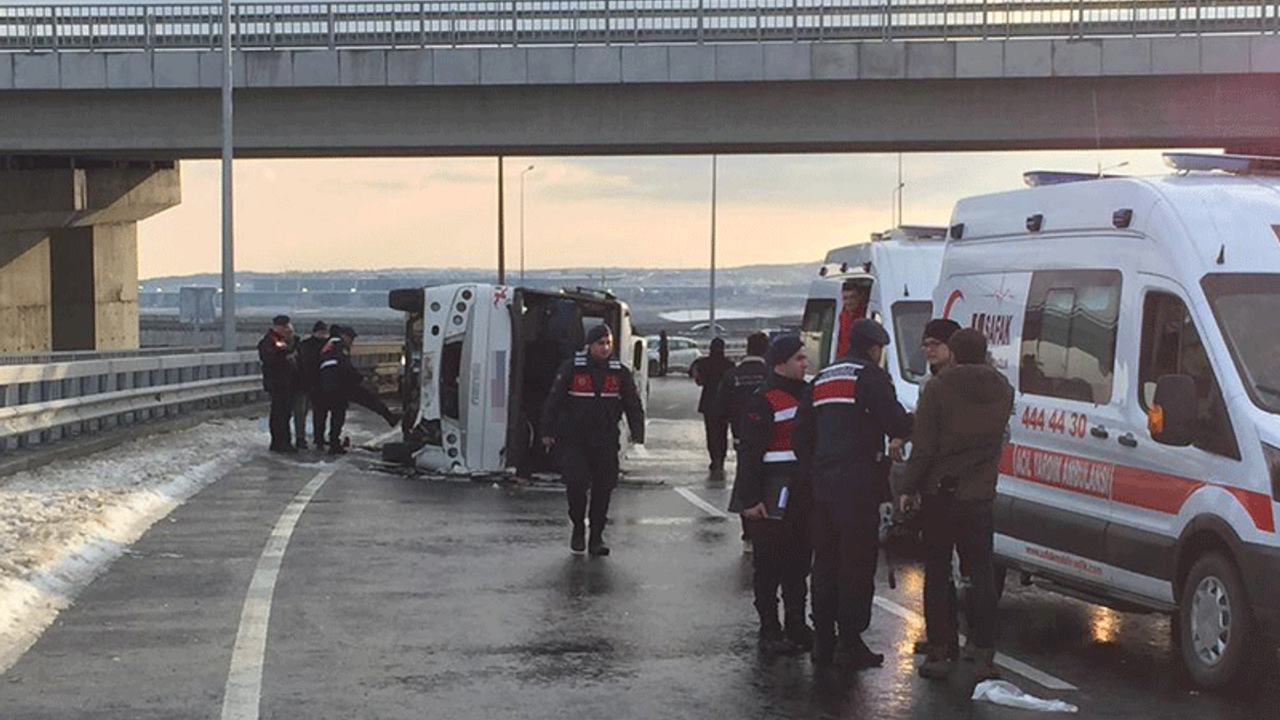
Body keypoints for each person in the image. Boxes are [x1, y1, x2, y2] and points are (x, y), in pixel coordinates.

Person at [794, 318, 912, 670]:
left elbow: (801, 433)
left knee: (825, 561)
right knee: (856, 564)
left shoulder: (823, 377)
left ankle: (823, 640)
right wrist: (913, 423)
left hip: (823, 484)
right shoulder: (871, 377)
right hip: (858, 484)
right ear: (874, 348)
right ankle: (849, 640)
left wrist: (817, 466)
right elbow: (894, 420)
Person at [899, 328, 1013, 682]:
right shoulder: (1003, 390)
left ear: (955, 354)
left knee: (937, 572)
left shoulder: (938, 388)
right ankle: (983, 651)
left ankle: (941, 650)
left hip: (941, 493)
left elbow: (925, 446)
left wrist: (908, 486)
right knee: (981, 574)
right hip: (980, 494)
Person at [728, 335, 814, 655]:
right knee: (768, 565)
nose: (805, 364)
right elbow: (749, 453)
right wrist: (750, 500)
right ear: (780, 364)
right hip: (771, 490)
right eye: (799, 359)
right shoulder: (763, 400)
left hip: (802, 492)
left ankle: (796, 624)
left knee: (799, 562)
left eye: (805, 358)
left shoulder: (808, 395)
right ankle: (769, 628)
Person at [541, 324, 645, 556]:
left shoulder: (619, 372)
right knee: (576, 485)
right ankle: (578, 526)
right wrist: (547, 430)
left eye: (608, 343)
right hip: (574, 440)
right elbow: (554, 401)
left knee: (603, 490)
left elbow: (632, 404)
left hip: (606, 441)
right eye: (600, 343)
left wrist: (637, 431)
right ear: (590, 344)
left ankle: (596, 537)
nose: (605, 348)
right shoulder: (572, 369)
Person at [319, 325, 401, 455]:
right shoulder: (339, 344)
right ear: (345, 336)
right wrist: (358, 377)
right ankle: (389, 416)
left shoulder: (330, 344)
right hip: (340, 383)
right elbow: (343, 365)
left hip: (330, 382)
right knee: (364, 399)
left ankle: (333, 442)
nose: (351, 343)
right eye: (351, 339)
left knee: (338, 413)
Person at [690, 337, 734, 473]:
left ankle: (714, 459)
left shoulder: (703, 363)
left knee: (711, 433)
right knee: (723, 432)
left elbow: (697, 379)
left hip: (708, 402)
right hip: (725, 403)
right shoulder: (729, 365)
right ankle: (721, 458)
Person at [258, 314, 298, 453]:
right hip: (277, 382)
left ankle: (284, 441)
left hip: (286, 382)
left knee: (285, 414)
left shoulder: (284, 340)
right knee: (279, 414)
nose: (287, 329)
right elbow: (271, 359)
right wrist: (286, 355)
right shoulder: (270, 341)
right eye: (284, 327)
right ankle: (279, 442)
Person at [296, 320, 329, 450]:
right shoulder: (323, 346)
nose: (323, 334)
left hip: (315, 383)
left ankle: (317, 438)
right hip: (306, 383)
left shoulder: (305, 344)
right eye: (321, 331)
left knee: (318, 413)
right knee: (302, 413)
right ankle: (303, 438)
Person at [834, 280, 870, 359]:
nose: (849, 302)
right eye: (845, 298)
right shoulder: (840, 317)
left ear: (860, 297)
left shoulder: (866, 316)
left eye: (852, 297)